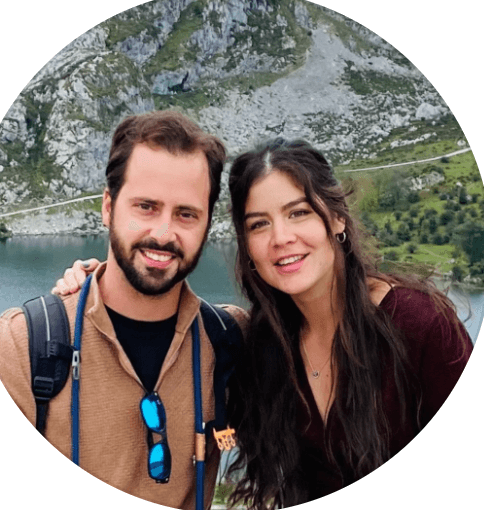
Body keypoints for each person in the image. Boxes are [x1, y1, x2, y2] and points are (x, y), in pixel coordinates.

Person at [54, 138, 473, 508]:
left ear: (337, 218)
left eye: (299, 213)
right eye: (259, 224)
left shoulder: (418, 325)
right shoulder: (259, 344)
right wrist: (99, 286)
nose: (281, 238)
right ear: (246, 244)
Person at [0, 110, 246, 509]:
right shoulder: (22, 347)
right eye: (146, 207)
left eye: (186, 214)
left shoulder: (229, 339)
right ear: (108, 207)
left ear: (206, 224)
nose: (163, 233)